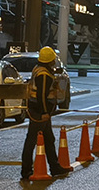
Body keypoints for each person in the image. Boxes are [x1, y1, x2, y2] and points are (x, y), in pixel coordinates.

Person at [21, 46, 68, 180]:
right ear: (50, 60)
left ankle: (55, 167)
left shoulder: (39, 69)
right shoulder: (44, 75)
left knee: (49, 139)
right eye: (53, 59)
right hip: (39, 112)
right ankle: (26, 171)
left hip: (38, 110)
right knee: (31, 140)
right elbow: (42, 95)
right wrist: (44, 112)